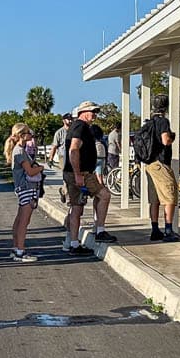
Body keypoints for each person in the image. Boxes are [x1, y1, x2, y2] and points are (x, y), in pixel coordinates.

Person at [64, 100, 118, 255]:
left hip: (82, 172)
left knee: (78, 207)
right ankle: (97, 232)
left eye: (96, 111)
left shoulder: (80, 127)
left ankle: (73, 241)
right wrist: (77, 174)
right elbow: (74, 150)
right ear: (83, 112)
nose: (95, 114)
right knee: (103, 195)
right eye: (92, 111)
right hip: (80, 174)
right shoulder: (80, 127)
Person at [143, 94, 180, 242]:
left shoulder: (148, 123)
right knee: (169, 197)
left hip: (150, 164)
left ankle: (155, 229)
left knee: (154, 199)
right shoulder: (163, 122)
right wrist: (173, 137)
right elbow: (166, 140)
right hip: (161, 164)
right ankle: (168, 230)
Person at [4, 122, 42, 262]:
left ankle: (16, 247)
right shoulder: (20, 151)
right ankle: (20, 250)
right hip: (27, 188)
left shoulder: (19, 150)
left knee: (20, 219)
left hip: (22, 188)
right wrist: (40, 168)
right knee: (24, 222)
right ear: (21, 135)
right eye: (28, 132)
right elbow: (30, 171)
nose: (30, 134)